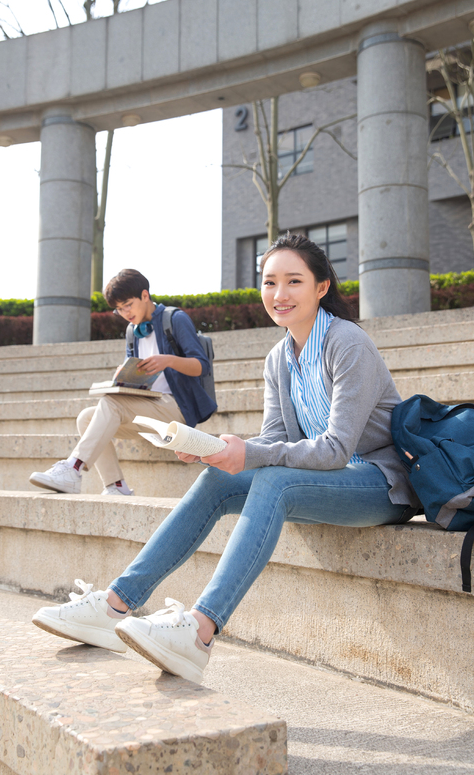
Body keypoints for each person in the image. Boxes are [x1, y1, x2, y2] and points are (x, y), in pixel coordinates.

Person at [32, 234, 418, 683]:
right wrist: (212, 450)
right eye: (270, 282)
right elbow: (275, 439)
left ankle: (199, 631)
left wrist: (249, 452)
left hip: (380, 484)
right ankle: (116, 603)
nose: (279, 294)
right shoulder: (278, 359)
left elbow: (335, 449)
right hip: (326, 480)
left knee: (276, 482)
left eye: (294, 281)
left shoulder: (347, 343)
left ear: (321, 288)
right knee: (217, 481)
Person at [29, 268, 216, 496]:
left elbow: (201, 365)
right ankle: (116, 486)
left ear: (145, 295)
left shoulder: (174, 319)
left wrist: (167, 360)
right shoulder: (132, 331)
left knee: (111, 403)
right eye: (119, 309)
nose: (125, 312)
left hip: (176, 410)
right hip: (146, 407)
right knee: (86, 418)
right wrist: (125, 376)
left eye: (128, 304)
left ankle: (73, 468)